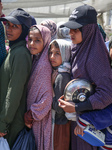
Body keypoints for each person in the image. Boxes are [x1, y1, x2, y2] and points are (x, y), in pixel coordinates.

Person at [58, 4, 112, 150]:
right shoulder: (80, 48)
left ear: (88, 30)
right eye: (70, 29)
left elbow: (107, 94)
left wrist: (76, 107)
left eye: (76, 30)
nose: (70, 33)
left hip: (90, 125)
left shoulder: (95, 56)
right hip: (80, 122)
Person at [0, 8, 33, 148]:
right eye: (7, 25)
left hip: (12, 124)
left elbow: (14, 93)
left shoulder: (21, 54)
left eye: (15, 26)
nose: (9, 29)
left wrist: (3, 123)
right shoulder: (13, 50)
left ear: (24, 30)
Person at [24, 25, 53, 150]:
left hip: (38, 119)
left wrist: (31, 113)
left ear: (46, 41)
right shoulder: (36, 58)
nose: (32, 44)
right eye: (30, 39)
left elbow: (47, 97)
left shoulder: (44, 64)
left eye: (37, 40)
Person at [49, 39, 71, 150]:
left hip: (59, 124)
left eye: (57, 53)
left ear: (66, 54)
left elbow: (59, 108)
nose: (52, 57)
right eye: (51, 53)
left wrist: (51, 87)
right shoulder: (62, 71)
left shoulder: (61, 76)